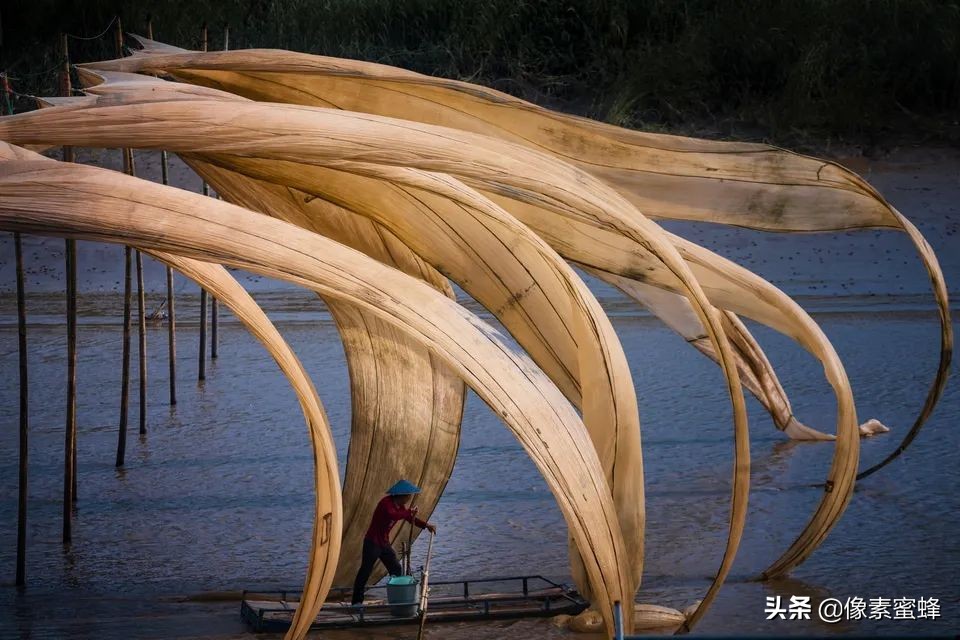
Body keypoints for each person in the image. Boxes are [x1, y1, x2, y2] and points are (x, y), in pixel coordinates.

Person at [351, 479, 437, 606]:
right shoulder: (386, 504)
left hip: (384, 543)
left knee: (396, 569)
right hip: (372, 542)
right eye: (408, 496)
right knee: (365, 571)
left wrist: (426, 525)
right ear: (402, 496)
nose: (409, 498)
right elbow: (393, 515)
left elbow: (408, 518)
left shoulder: (400, 507)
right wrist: (409, 512)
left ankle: (397, 597)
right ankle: (356, 602)